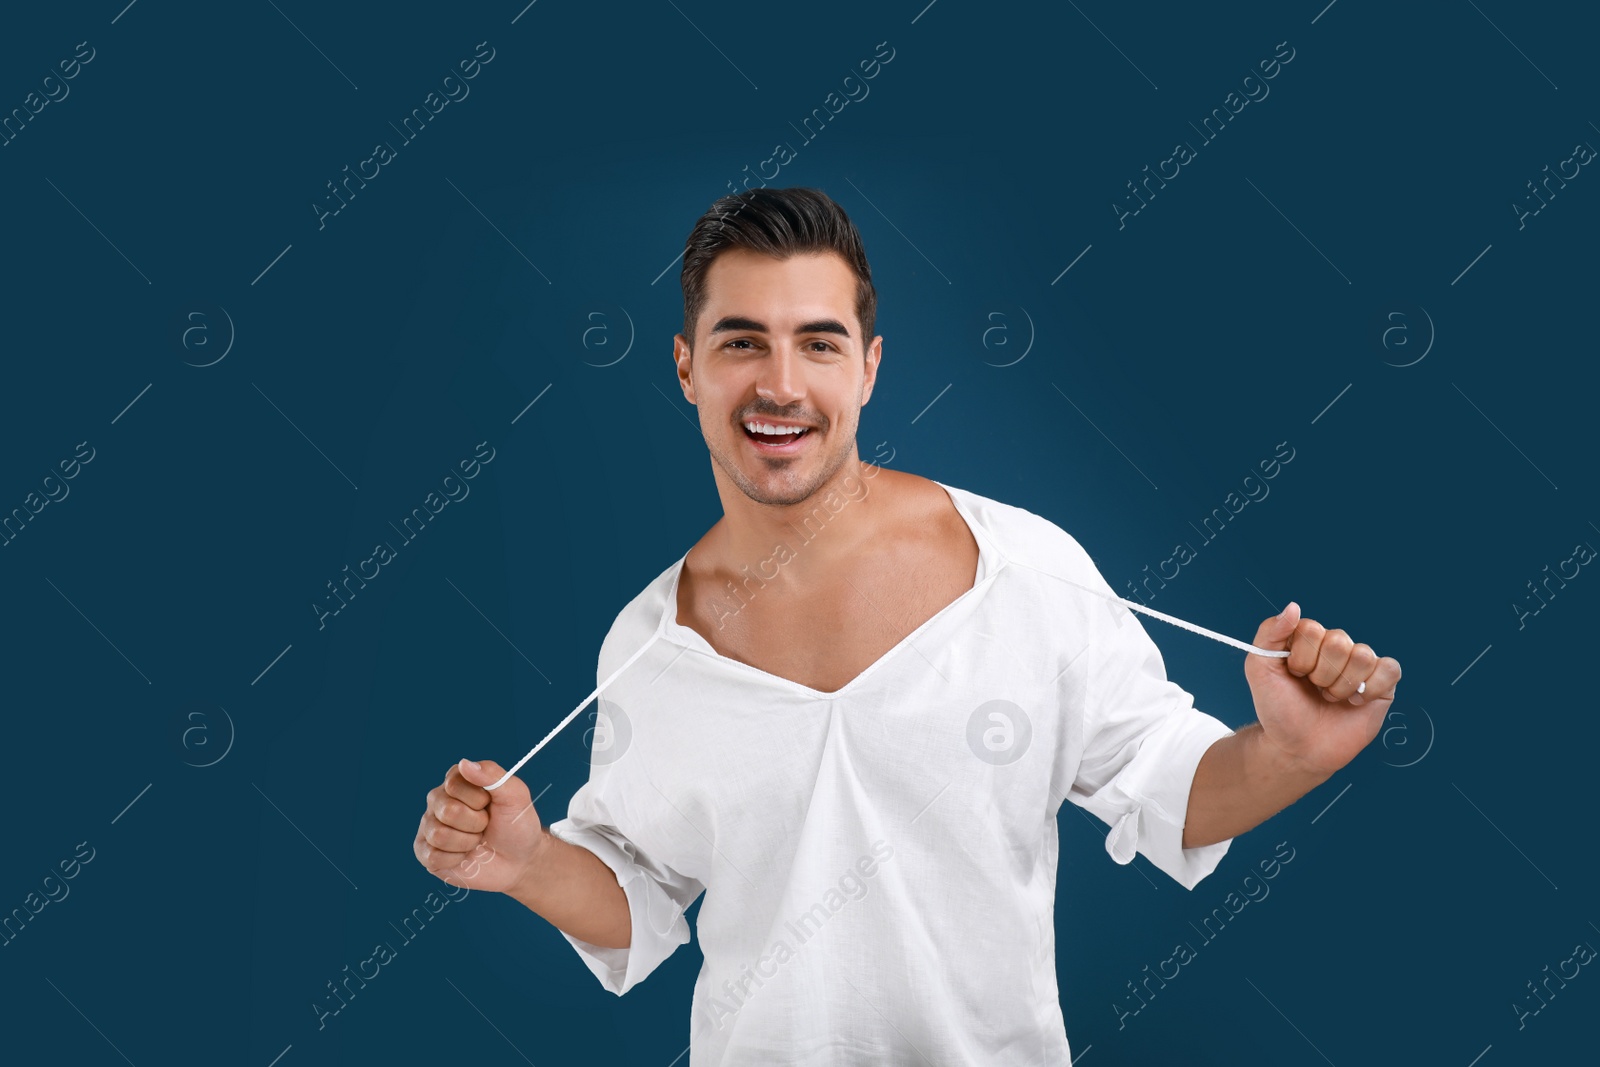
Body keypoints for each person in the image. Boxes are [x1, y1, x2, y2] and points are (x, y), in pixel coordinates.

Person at [413, 187, 1401, 1063]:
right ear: (685, 366)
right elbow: (637, 889)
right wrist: (528, 861)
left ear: (871, 367)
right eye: (741, 339)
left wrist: (1293, 752)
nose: (781, 384)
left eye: (819, 341)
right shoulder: (647, 641)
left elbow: (1174, 787)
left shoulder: (1023, 568)